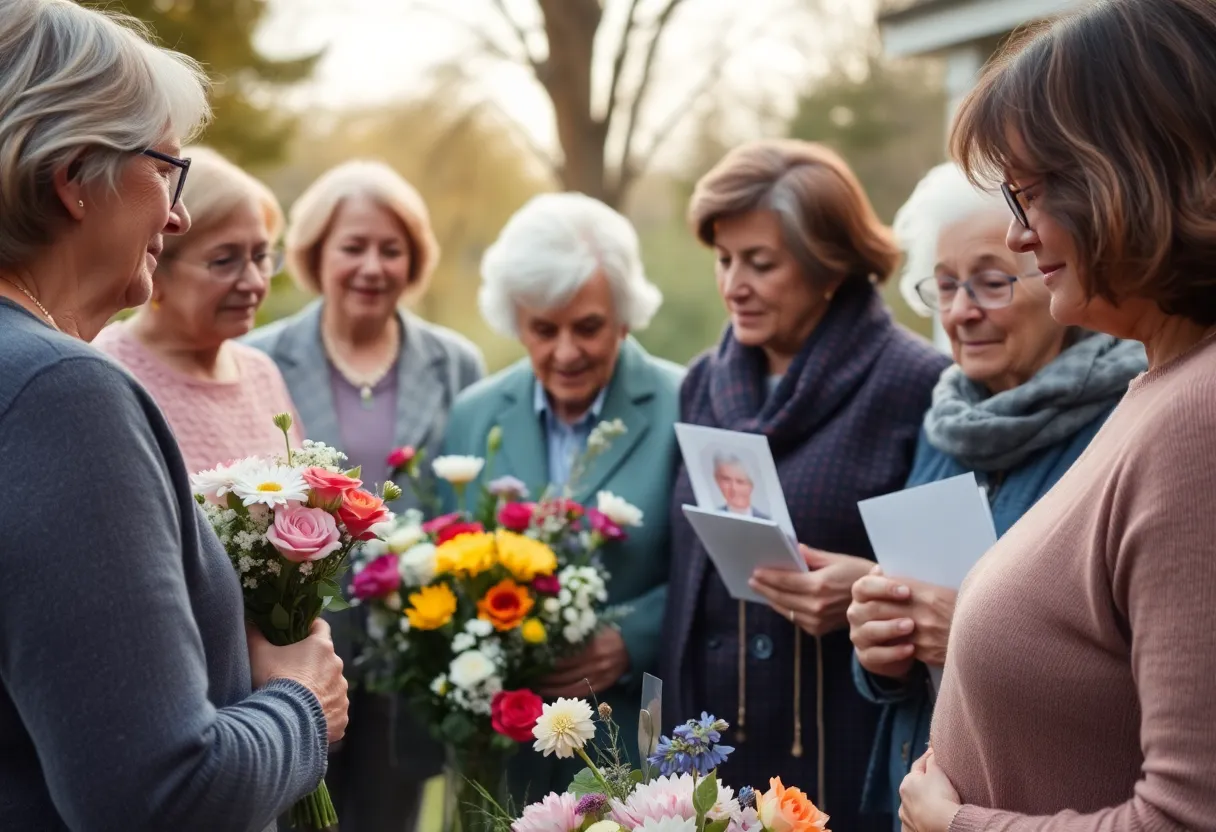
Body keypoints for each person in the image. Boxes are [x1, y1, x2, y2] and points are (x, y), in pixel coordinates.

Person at [0, 2, 347, 830]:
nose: (178, 214)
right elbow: (160, 796)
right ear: (75, 175)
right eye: (166, 171)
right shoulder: (60, 395)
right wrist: (303, 704)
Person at [897, 3, 1216, 829]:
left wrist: (956, 823)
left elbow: (1186, 817)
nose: (1016, 233)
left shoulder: (1200, 421)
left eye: (1030, 193)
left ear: (1131, 175)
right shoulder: (1164, 384)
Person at [845, 162, 1145, 829]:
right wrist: (878, 642)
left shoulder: (1124, 425)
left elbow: (1149, 677)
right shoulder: (947, 422)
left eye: (989, 282)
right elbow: (907, 630)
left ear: (1059, 272)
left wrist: (975, 637)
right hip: (912, 792)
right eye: (945, 286)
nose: (960, 311)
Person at [661, 139, 949, 831]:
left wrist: (870, 585)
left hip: (840, 752)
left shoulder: (917, 383)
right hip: (705, 758)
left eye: (760, 263)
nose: (733, 285)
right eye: (725, 260)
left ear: (831, 267)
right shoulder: (703, 379)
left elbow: (962, 592)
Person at [245, 159, 484, 832]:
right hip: (300, 645)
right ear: (318, 254)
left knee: (392, 817)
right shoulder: (260, 358)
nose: (372, 266)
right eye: (354, 247)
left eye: (392, 249)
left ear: (414, 260)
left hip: (413, 648)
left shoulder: (457, 362)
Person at [442, 191, 681, 800]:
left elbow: (713, 572)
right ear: (515, 321)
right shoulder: (475, 414)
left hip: (638, 720)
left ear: (625, 316)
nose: (567, 352)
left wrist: (633, 640)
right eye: (544, 330)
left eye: (590, 327)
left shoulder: (686, 404)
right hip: (503, 741)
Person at [94, 146, 302, 475]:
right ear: (155, 264)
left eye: (261, 256)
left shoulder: (261, 373)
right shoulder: (105, 373)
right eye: (224, 261)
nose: (252, 282)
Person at [711, 451, 769, 519]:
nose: (733, 488)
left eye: (740, 482)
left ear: (751, 486)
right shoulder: (713, 517)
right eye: (727, 480)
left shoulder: (766, 520)